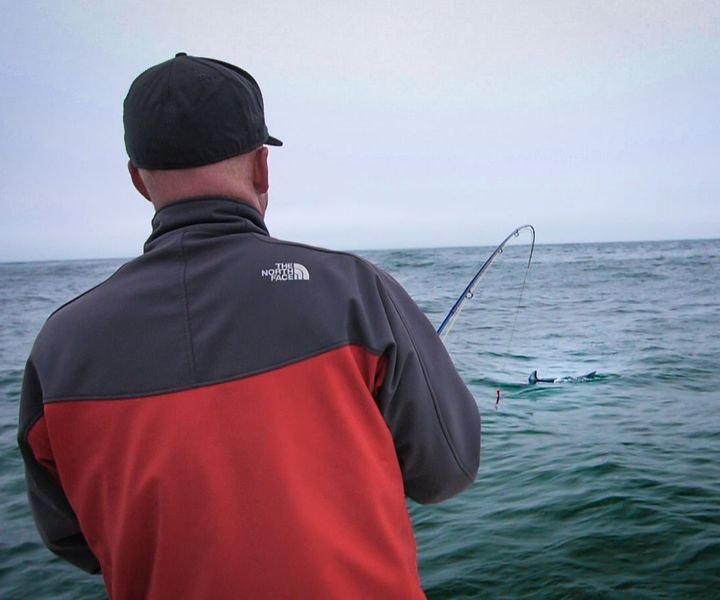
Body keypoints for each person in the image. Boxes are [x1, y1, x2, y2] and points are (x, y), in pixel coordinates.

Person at [18, 53, 480, 600]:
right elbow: (448, 468)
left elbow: (73, 539)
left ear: (139, 180)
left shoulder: (59, 348)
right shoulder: (355, 290)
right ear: (262, 167)